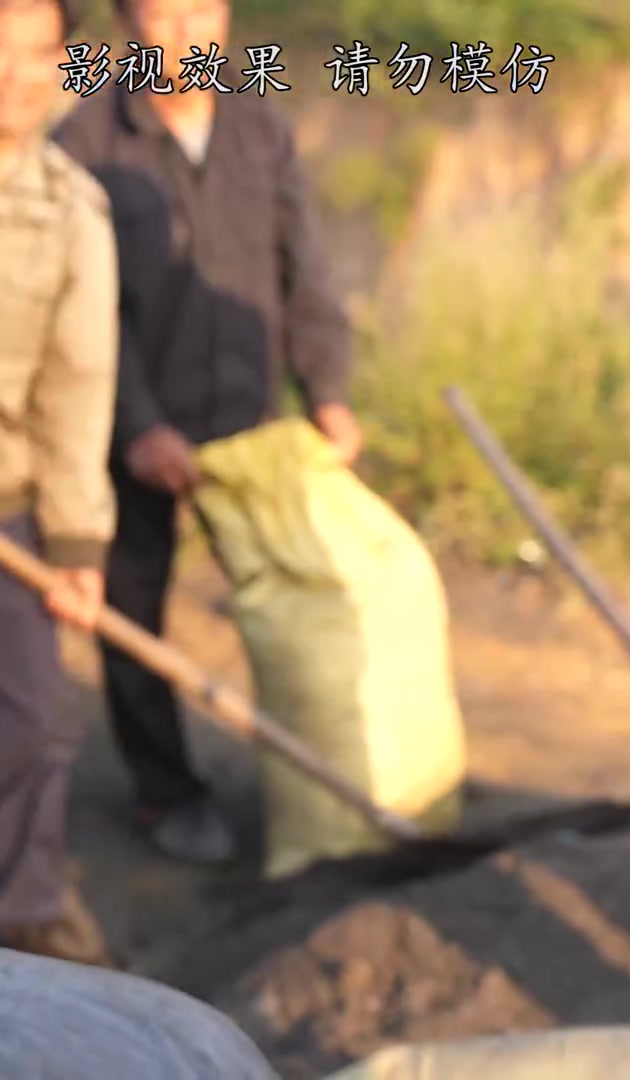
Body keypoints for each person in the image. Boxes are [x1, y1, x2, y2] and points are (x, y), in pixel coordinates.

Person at [53, 0, 360, 866]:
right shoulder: (87, 141)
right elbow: (85, 318)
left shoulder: (258, 122)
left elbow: (305, 268)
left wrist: (327, 390)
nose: (187, 34)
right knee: (133, 612)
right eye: (163, 14)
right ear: (125, 22)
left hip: (249, 420)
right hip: (136, 434)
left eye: (203, 10)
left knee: (296, 599)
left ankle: (314, 785)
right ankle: (165, 791)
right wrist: (140, 429)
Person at [0, 0, 120, 966]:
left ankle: (26, 921)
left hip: (10, 517)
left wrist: (77, 545)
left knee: (39, 729)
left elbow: (78, 390)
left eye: (36, 55)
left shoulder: (72, 208)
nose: (16, 76)